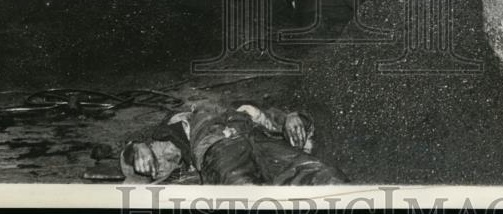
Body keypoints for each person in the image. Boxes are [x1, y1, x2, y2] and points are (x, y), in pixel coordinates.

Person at [122, 99, 346, 185]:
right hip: (218, 150)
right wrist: (134, 151)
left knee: (324, 176)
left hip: (260, 140)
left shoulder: (240, 108)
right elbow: (134, 172)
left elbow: (269, 117)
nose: (163, 162)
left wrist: (291, 118)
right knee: (245, 193)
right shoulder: (177, 143)